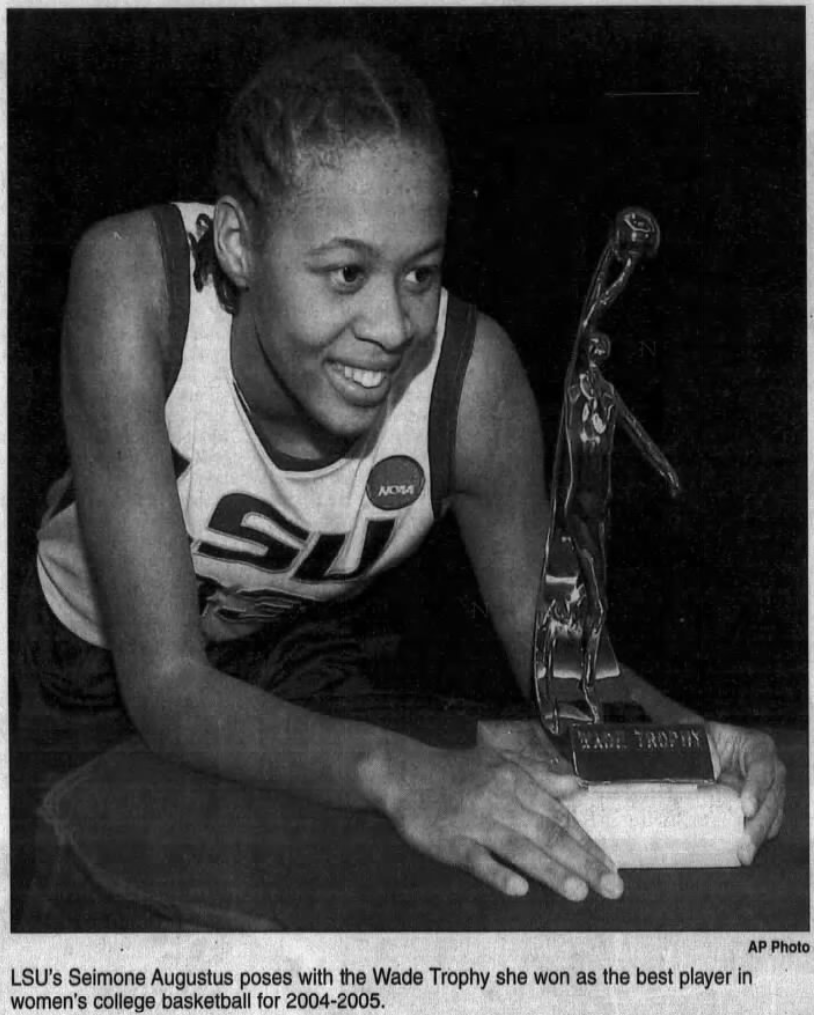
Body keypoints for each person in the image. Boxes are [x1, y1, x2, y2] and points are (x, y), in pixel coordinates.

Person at [15, 39, 784, 911]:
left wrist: (698, 746)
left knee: (409, 870)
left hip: (280, 669)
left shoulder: (472, 381)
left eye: (418, 272)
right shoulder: (135, 283)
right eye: (346, 273)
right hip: (70, 666)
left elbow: (561, 668)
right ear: (237, 243)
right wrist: (398, 771)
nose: (390, 324)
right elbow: (164, 684)